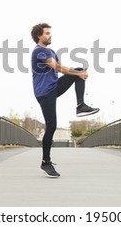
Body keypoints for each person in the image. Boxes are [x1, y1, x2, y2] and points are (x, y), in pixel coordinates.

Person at [31, 23, 99, 178]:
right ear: (39, 36)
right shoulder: (39, 51)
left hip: (54, 87)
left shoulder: (51, 51)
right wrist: (77, 74)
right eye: (47, 33)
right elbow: (56, 67)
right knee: (51, 126)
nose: (50, 35)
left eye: (50, 33)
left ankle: (80, 105)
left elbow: (61, 66)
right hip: (44, 93)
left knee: (79, 70)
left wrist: (78, 73)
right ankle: (45, 161)